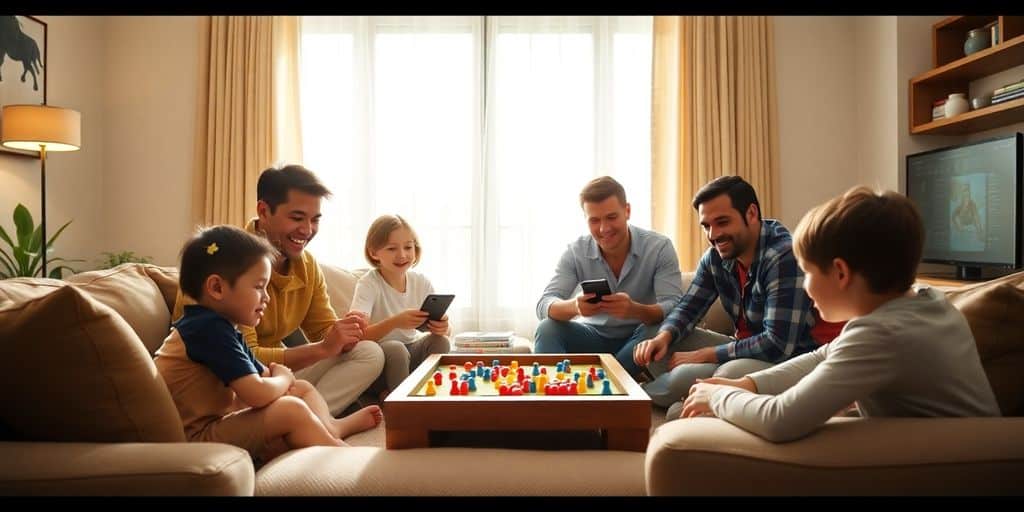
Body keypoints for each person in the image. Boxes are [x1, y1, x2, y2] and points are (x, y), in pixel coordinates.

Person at [679, 186, 1000, 440]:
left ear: (840, 273)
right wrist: (745, 384)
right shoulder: (925, 303)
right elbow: (823, 356)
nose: (804, 287)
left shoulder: (882, 334)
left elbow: (779, 420)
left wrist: (717, 397)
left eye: (808, 273)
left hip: (958, 464)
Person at [155, 225, 383, 462]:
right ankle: (341, 453)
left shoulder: (224, 327)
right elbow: (257, 394)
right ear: (217, 287)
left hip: (217, 421)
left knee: (300, 389)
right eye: (258, 287)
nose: (267, 297)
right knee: (290, 410)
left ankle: (330, 427)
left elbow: (263, 374)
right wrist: (283, 378)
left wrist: (282, 381)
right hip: (195, 440)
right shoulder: (206, 330)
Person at [173, 164, 385, 418]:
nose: (307, 230)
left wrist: (346, 332)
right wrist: (321, 349)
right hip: (232, 381)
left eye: (314, 219)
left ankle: (313, 419)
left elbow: (324, 330)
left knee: (369, 353)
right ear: (264, 211)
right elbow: (243, 353)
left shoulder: (307, 266)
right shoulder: (224, 264)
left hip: (271, 374)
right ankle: (299, 421)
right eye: (296, 218)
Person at [633, 175, 844, 415]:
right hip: (742, 349)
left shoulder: (783, 256)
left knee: (719, 374)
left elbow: (777, 344)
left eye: (722, 222)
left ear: (751, 214)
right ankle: (684, 396)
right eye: (706, 226)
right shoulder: (715, 257)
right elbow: (688, 307)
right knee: (652, 334)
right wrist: (665, 336)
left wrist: (707, 355)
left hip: (787, 359)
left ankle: (649, 396)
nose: (714, 234)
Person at [534, 176, 684, 378]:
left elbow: (675, 306)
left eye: (611, 217)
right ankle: (561, 395)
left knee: (655, 330)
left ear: (627, 211)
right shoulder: (576, 251)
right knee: (547, 328)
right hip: (592, 337)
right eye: (594, 220)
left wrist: (635, 310)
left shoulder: (659, 247)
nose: (604, 229)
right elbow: (544, 304)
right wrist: (574, 307)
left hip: (639, 339)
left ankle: (597, 385)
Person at [349, 214, 450, 400]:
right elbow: (357, 335)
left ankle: (433, 396)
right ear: (373, 253)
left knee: (440, 341)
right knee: (396, 348)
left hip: (411, 351)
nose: (402, 255)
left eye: (408, 247)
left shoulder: (421, 282)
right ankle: (401, 404)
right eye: (391, 248)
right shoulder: (369, 284)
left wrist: (443, 327)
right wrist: (395, 322)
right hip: (381, 359)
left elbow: (444, 332)